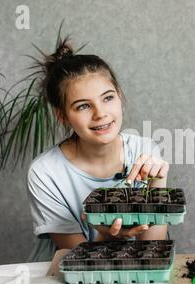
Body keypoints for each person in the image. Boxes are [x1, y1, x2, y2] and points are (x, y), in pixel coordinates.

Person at [27, 38, 169, 262]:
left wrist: (158, 185)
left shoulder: (144, 150)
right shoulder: (46, 173)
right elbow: (82, 260)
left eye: (108, 98)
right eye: (83, 106)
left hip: (130, 274)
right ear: (62, 115)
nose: (100, 113)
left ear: (119, 96)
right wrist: (105, 232)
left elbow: (153, 251)